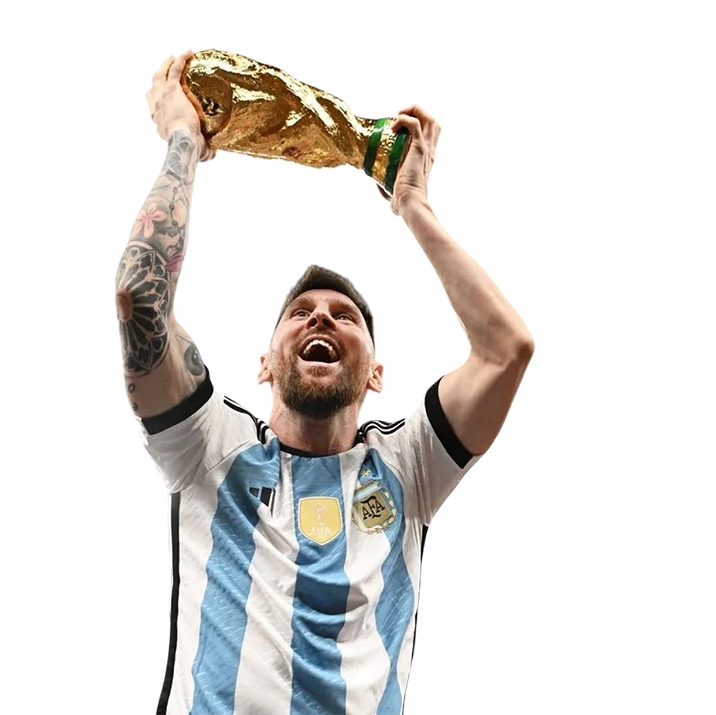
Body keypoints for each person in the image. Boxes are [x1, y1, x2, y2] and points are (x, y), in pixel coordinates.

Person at [114, 49, 535, 715]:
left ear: (374, 374)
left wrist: (414, 203)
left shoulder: (408, 461)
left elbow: (506, 348)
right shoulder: (209, 443)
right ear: (266, 367)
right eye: (300, 313)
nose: (321, 316)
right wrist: (183, 141)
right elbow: (139, 293)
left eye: (345, 315)